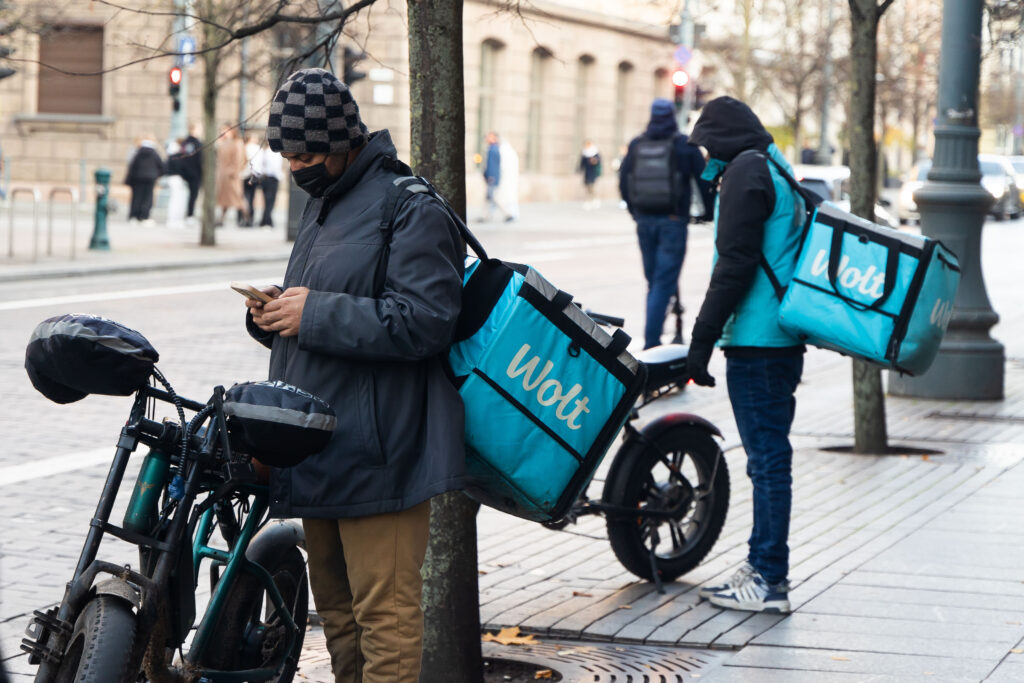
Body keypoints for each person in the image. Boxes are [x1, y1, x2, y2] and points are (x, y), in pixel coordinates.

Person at [243, 68, 465, 683]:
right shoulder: (323, 205)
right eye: (287, 156)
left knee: (385, 623)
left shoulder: (409, 206)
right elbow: (320, 304)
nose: (296, 168)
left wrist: (313, 312)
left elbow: (425, 322)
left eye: (308, 154)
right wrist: (274, 314)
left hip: (381, 452)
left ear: (345, 142)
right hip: (319, 445)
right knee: (338, 620)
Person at [685, 96, 807, 614]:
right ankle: (761, 567)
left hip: (757, 342)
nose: (705, 155)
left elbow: (734, 264)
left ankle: (769, 579)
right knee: (769, 459)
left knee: (768, 462)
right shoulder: (775, 168)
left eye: (709, 144)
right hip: (780, 339)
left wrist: (702, 337)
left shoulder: (745, 175)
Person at [618, 98, 713, 349]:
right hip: (673, 221)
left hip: (644, 221)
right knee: (663, 283)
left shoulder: (638, 144)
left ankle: (654, 334)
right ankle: (651, 344)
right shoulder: (684, 144)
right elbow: (704, 181)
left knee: (654, 282)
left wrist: (634, 211)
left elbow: (624, 181)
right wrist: (708, 212)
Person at [124, 134, 165, 224]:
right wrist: (157, 175)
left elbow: (132, 166)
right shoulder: (155, 153)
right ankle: (144, 216)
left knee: (137, 197)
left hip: (138, 178)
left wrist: (130, 177)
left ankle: (134, 216)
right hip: (151, 178)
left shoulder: (138, 152)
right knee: (148, 197)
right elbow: (161, 166)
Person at [215, 123, 246, 227]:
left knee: (237, 198)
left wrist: (233, 171)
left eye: (226, 130)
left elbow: (239, 159)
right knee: (225, 200)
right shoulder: (223, 142)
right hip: (223, 176)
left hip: (232, 176)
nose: (223, 133)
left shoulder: (237, 143)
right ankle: (221, 219)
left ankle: (247, 218)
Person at [254, 140, 283, 228]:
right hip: (272, 179)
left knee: (266, 201)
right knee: (270, 201)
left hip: (264, 178)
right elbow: (275, 168)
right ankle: (267, 221)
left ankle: (265, 220)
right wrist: (280, 177)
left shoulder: (265, 152)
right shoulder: (275, 154)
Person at [179, 123, 204, 221]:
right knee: (193, 195)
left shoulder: (185, 142)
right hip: (195, 173)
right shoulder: (197, 143)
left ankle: (187, 214)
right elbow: (200, 159)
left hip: (185, 173)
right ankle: (190, 215)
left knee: (187, 195)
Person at [495, 135, 519, 222]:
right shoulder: (510, 152)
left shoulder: (503, 151)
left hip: (505, 179)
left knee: (497, 197)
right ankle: (486, 215)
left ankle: (509, 214)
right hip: (508, 179)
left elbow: (503, 167)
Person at [240, 132, 261, 227]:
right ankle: (250, 219)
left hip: (244, 175)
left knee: (244, 197)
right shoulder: (257, 148)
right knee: (252, 198)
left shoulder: (244, 147)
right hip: (254, 175)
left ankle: (243, 218)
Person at [481, 130, 502, 221]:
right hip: (491, 177)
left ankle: (507, 213)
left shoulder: (493, 149)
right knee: (490, 197)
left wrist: (490, 177)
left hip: (492, 178)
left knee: (491, 197)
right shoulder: (492, 148)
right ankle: (486, 216)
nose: (487, 138)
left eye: (490, 136)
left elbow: (493, 165)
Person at [579, 140, 602, 210]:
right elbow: (582, 163)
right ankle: (587, 202)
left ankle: (595, 199)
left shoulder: (595, 152)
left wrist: (595, 161)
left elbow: (598, 161)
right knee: (587, 187)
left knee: (592, 187)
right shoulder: (584, 153)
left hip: (593, 173)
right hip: (587, 173)